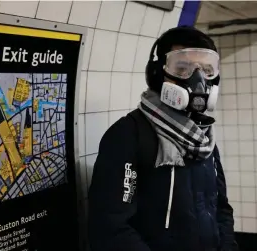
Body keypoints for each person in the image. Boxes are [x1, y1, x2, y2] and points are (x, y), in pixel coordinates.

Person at [88, 26, 238, 251]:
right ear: (158, 73)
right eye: (182, 68)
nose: (197, 81)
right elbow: (111, 226)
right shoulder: (128, 134)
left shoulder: (203, 136)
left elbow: (221, 208)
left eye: (206, 70)